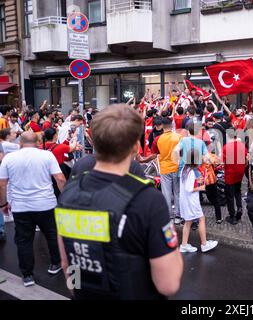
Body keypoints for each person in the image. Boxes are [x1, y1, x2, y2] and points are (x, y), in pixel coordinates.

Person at [56, 104, 183, 300]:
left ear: (94, 140)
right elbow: (168, 284)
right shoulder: (148, 200)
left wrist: (80, 293)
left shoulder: (69, 192)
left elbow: (67, 263)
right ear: (136, 146)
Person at [0, 132, 66, 287]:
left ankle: (27, 275)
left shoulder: (9, 158)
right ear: (37, 142)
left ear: (20, 143)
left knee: (24, 240)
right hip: (46, 204)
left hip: (21, 206)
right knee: (51, 234)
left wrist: (3, 204)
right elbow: (60, 179)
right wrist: (66, 199)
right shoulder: (47, 156)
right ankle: (55, 264)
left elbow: (2, 184)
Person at [179, 148, 218, 253]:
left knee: (188, 221)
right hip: (191, 201)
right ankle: (204, 244)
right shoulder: (191, 172)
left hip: (185, 200)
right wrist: (200, 188)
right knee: (201, 219)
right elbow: (189, 188)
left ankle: (184, 244)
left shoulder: (185, 169)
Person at [155, 117, 183, 224]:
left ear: (162, 126)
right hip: (177, 167)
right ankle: (178, 215)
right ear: (172, 125)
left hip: (164, 168)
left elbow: (155, 153)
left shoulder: (158, 139)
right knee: (177, 192)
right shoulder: (179, 137)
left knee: (166, 193)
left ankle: (169, 216)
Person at [222, 128, 248, 225]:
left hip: (230, 173)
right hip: (239, 172)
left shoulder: (226, 147)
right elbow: (246, 159)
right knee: (237, 192)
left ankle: (232, 216)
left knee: (230, 195)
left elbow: (223, 162)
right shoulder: (242, 145)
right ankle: (240, 209)